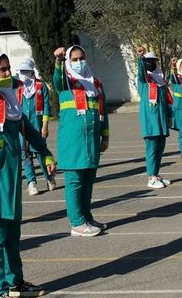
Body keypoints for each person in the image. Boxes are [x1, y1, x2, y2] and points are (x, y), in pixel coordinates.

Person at [0, 18, 55, 297]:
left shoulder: (12, 102)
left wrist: (46, 152)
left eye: (8, 68)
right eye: (2, 68)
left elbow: (29, 130)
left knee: (12, 235)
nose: (7, 72)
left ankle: (15, 283)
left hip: (10, 177)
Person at [53, 45, 109, 237]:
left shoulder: (95, 83)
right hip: (73, 141)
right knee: (74, 181)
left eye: (81, 58)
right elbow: (57, 80)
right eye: (74, 59)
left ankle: (86, 217)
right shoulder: (67, 82)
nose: (79, 62)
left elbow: (103, 111)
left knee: (88, 181)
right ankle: (77, 222)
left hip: (91, 140)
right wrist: (59, 62)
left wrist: (105, 135)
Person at [15, 58, 56, 195]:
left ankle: (49, 177)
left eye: (27, 71)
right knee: (25, 155)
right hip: (22, 128)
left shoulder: (40, 85)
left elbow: (46, 106)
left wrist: (45, 125)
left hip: (37, 126)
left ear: (32, 71)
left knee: (40, 153)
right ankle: (31, 182)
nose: (25, 74)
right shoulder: (18, 87)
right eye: (23, 71)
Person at [135, 46, 172, 189]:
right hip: (150, 121)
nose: (151, 63)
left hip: (161, 121)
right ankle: (150, 177)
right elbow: (141, 72)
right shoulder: (144, 81)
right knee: (151, 149)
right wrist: (140, 58)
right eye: (148, 61)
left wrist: (169, 117)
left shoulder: (161, 82)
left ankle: (156, 174)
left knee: (160, 148)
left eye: (153, 61)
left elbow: (167, 101)